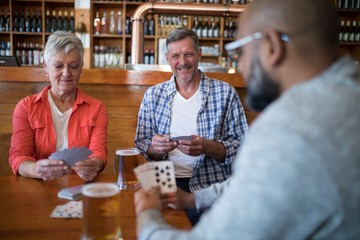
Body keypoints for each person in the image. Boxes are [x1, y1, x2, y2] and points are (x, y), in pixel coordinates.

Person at [134, 0, 360, 239]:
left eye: (241, 51)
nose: (240, 65)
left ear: (272, 46)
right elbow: (253, 183)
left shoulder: (291, 129)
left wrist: (148, 217)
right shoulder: (346, 96)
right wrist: (193, 198)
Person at [135, 28, 248, 225]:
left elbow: (243, 148)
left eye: (188, 54)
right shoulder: (153, 96)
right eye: (176, 56)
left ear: (199, 54)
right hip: (164, 183)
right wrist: (155, 148)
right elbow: (142, 144)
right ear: (168, 58)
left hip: (211, 186)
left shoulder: (225, 93)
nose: (183, 62)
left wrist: (208, 147)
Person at [9, 31, 108, 182]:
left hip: (80, 186)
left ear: (81, 67)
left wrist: (94, 164)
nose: (66, 73)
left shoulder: (96, 108)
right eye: (58, 66)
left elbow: (98, 153)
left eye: (74, 66)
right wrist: (35, 169)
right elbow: (18, 157)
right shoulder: (26, 107)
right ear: (45, 67)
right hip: (39, 188)